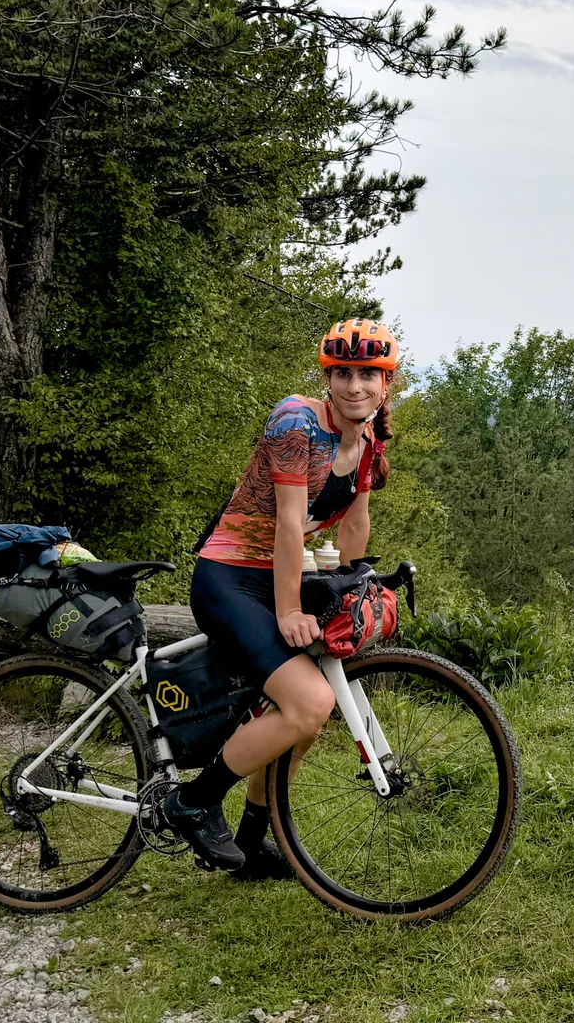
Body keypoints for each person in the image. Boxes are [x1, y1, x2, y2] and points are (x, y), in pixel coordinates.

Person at [164, 319, 397, 876]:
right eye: (342, 373)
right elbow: (290, 525)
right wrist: (290, 610)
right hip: (230, 577)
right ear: (328, 377)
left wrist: (354, 583)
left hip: (274, 579)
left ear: (387, 384)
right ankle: (193, 803)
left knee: (303, 718)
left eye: (368, 373)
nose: (354, 385)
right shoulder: (296, 422)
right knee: (310, 703)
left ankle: (249, 848)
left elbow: (354, 524)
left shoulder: (366, 441)